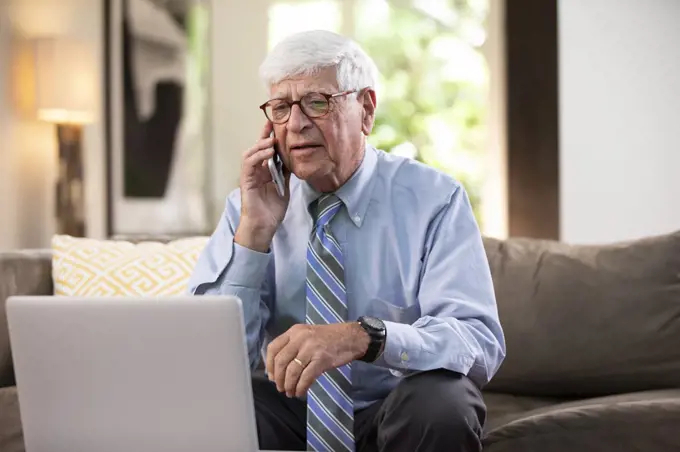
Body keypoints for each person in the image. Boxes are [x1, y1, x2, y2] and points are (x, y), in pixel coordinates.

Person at [188, 29, 506, 452]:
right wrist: (255, 232)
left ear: (366, 110)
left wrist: (365, 338)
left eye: (317, 102)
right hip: (290, 413)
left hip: (394, 406)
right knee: (218, 408)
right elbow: (207, 362)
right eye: (281, 107)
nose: (297, 123)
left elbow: (476, 340)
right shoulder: (247, 207)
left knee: (444, 400)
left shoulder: (435, 199)